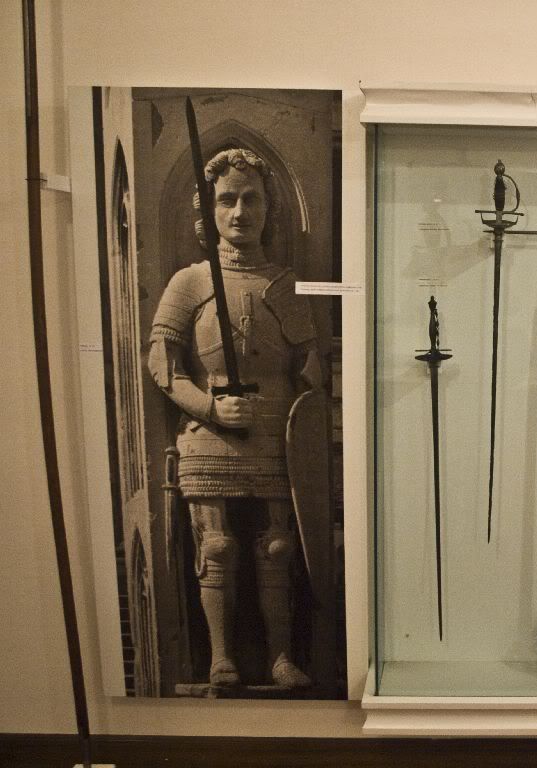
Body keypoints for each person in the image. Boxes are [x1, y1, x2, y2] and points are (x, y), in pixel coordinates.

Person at [148, 148, 320, 689]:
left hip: (274, 439)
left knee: (277, 550)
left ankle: (281, 657)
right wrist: (211, 407)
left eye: (251, 199)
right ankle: (221, 658)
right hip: (208, 439)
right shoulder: (189, 282)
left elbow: (310, 371)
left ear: (269, 208)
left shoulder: (285, 283)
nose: (240, 211)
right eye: (226, 200)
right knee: (216, 547)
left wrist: (297, 409)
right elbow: (163, 366)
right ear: (209, 210)